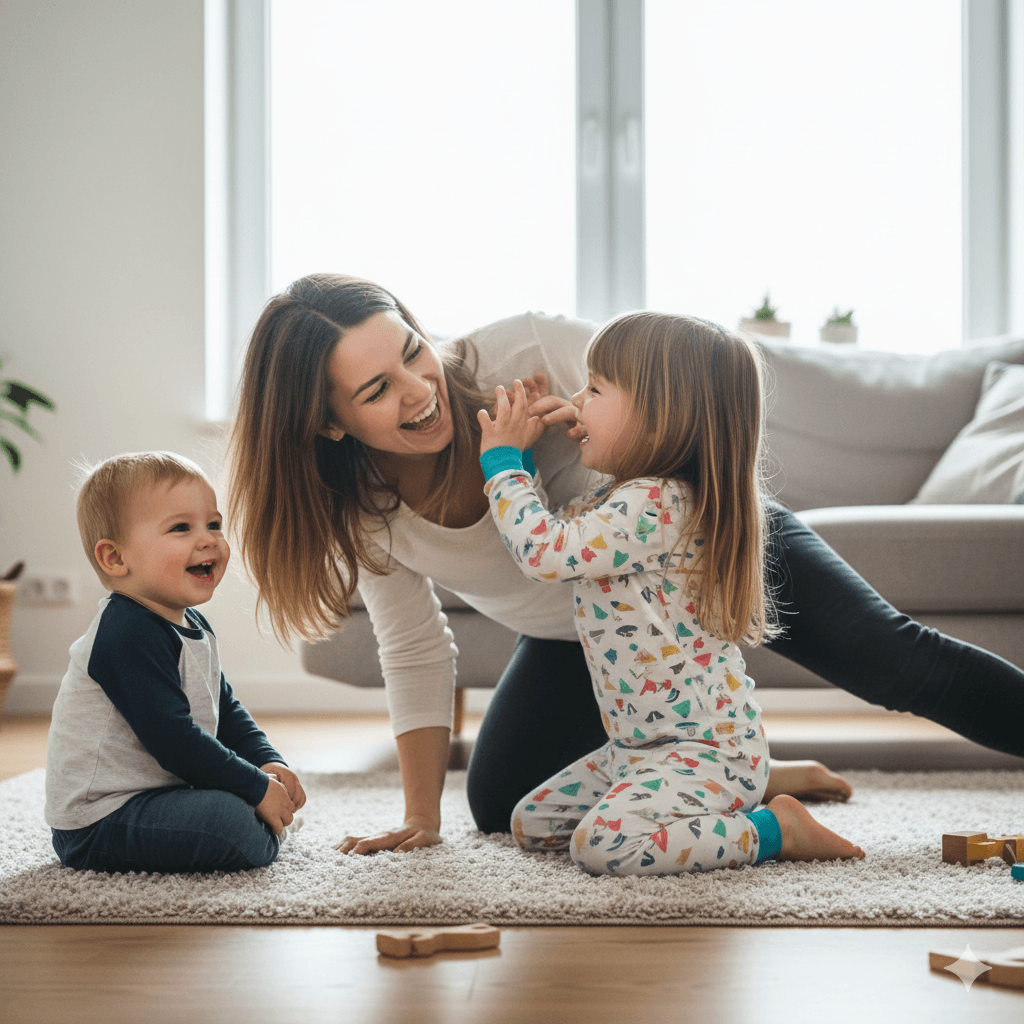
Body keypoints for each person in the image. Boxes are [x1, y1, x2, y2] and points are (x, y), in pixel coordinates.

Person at [227, 274, 1024, 853]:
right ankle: (747, 775)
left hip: (701, 544)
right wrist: (419, 816)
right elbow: (414, 646)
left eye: (412, 352)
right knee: (504, 803)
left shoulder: (531, 348)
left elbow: (685, 413)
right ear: (327, 424)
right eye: (376, 390)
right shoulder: (361, 510)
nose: (418, 390)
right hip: (595, 631)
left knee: (895, 664)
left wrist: (568, 429)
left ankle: (725, 766)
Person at [476, 313, 864, 873]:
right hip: (638, 750)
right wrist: (542, 451)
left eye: (595, 389)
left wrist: (504, 463)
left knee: (600, 847)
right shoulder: (629, 498)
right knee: (532, 825)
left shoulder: (658, 503)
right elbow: (560, 537)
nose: (577, 401)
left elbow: (545, 552)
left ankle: (773, 829)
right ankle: (764, 783)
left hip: (707, 752)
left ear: (658, 419)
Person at [45, 451, 306, 873]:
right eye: (182, 528)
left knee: (242, 801)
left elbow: (226, 708)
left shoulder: (192, 623)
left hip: (157, 794)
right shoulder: (127, 631)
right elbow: (173, 739)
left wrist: (266, 761)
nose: (208, 540)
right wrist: (254, 788)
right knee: (234, 826)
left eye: (214, 524)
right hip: (101, 821)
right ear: (115, 558)